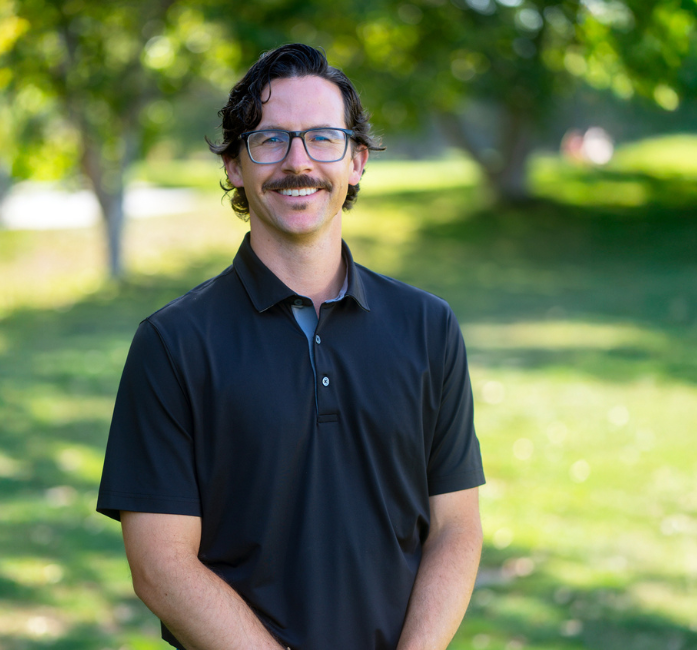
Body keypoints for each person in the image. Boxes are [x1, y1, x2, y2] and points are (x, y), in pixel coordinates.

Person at [97, 43, 485, 650]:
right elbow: (161, 565)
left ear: (356, 160)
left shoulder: (429, 327)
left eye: (323, 138)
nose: (298, 162)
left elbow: (456, 528)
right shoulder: (172, 344)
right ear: (234, 165)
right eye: (270, 140)